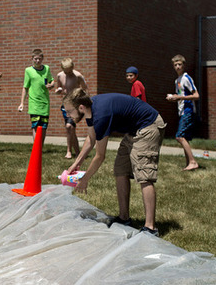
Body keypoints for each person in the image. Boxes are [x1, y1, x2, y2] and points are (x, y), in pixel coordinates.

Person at [64, 89, 166, 236]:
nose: (68, 115)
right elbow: (91, 139)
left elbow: (100, 156)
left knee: (144, 175)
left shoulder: (101, 116)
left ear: (80, 108)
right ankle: (124, 218)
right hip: (133, 130)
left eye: (69, 111)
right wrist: (76, 164)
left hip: (148, 126)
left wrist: (85, 179)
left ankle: (150, 227)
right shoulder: (90, 109)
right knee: (120, 170)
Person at [166, 55, 200, 171]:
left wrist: (179, 97)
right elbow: (180, 96)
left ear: (184, 65)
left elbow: (196, 95)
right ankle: (189, 164)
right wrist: (174, 98)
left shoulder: (186, 78)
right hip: (182, 111)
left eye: (179, 64)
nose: (177, 67)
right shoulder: (177, 80)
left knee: (179, 136)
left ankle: (193, 162)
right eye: (175, 65)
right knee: (184, 137)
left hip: (188, 111)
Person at [18, 49, 54, 143]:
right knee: (35, 125)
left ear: (42, 59)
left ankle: (40, 148)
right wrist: (22, 103)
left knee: (44, 127)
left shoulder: (47, 68)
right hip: (34, 103)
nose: (37, 61)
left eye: (39, 59)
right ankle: (36, 147)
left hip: (45, 103)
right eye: (35, 59)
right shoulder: (28, 70)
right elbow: (25, 87)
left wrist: (51, 85)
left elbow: (52, 80)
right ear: (32, 59)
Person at [54, 57, 88, 158]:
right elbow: (58, 87)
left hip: (75, 104)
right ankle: (74, 151)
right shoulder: (60, 75)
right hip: (66, 104)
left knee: (70, 126)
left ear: (72, 67)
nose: (68, 74)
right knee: (70, 128)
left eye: (69, 71)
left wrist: (84, 101)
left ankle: (71, 151)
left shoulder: (78, 76)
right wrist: (58, 91)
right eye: (66, 72)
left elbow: (85, 89)